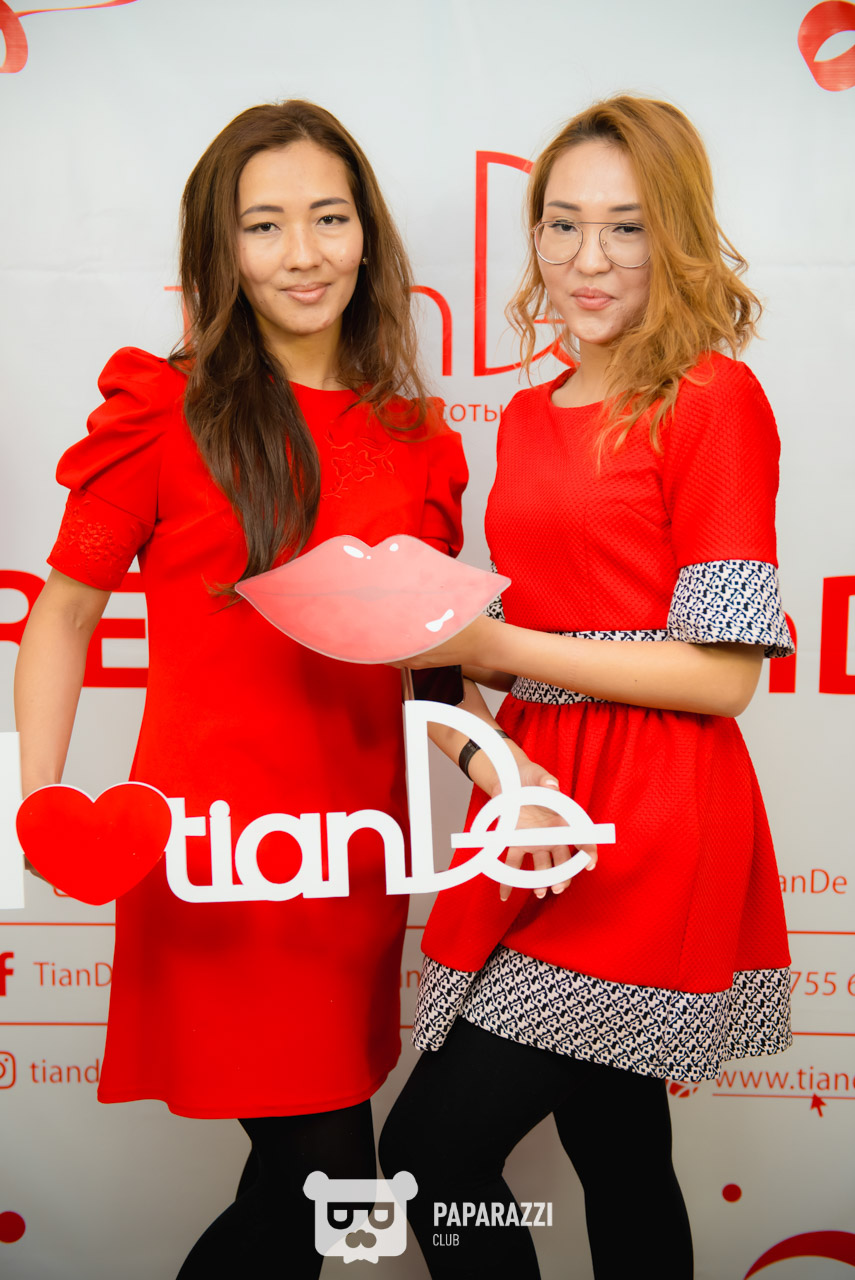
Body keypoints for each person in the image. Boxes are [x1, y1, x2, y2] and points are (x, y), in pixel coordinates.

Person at [14, 100, 467, 1276]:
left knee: (300, 1195)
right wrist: (42, 796)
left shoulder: (415, 433)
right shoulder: (163, 411)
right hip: (218, 858)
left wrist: (491, 767)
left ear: (367, 232)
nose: (302, 253)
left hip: (349, 863)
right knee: (334, 1185)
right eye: (263, 225)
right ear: (220, 249)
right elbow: (63, 612)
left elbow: (432, 661)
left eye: (328, 217)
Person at [380, 95, 793, 1279]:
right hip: (542, 803)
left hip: (653, 818)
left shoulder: (713, 398)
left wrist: (501, 646)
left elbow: (725, 675)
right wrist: (456, 667)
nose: (589, 259)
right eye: (563, 224)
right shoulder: (526, 414)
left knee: (430, 1153)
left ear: (679, 237)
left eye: (627, 226)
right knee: (618, 1148)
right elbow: (521, 624)